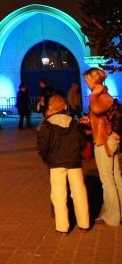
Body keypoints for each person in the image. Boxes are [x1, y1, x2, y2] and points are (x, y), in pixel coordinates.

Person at [37, 94, 90, 235]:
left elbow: (42, 146)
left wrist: (46, 160)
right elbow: (82, 142)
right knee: (79, 192)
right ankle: (84, 223)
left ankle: (62, 227)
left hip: (56, 163)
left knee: (59, 194)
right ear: (65, 106)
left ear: (50, 108)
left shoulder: (47, 125)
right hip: (74, 162)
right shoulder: (74, 123)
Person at [80, 68, 122, 226]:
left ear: (94, 79)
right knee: (115, 178)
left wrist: (93, 94)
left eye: (87, 79)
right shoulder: (102, 96)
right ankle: (118, 212)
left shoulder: (101, 95)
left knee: (107, 180)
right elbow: (100, 117)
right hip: (106, 138)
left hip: (105, 140)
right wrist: (88, 121)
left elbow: (98, 109)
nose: (86, 82)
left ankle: (112, 217)